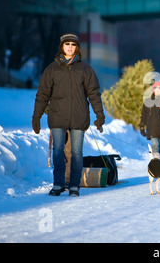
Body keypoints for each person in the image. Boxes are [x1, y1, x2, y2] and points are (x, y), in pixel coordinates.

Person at [32, 33, 105, 197]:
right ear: (62, 47)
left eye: (73, 44)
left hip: (79, 117)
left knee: (76, 153)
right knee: (58, 152)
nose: (70, 47)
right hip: (57, 116)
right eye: (67, 44)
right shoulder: (52, 69)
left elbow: (94, 94)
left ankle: (74, 186)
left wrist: (99, 115)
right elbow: (43, 94)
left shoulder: (85, 69)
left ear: (77, 47)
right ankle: (58, 184)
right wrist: (36, 116)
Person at [140, 81, 160, 156]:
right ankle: (156, 161)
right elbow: (144, 114)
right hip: (152, 127)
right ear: (153, 90)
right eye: (155, 88)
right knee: (155, 145)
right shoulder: (148, 101)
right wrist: (142, 126)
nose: (157, 90)